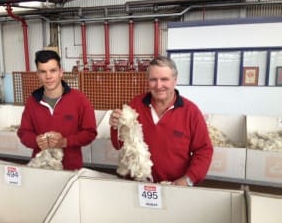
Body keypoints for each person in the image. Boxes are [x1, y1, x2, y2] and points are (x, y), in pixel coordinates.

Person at [109, 56, 213, 186]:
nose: (158, 86)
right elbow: (118, 145)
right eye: (153, 79)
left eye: (164, 79)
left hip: (174, 187)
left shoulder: (190, 112)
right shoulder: (135, 105)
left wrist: (188, 179)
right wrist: (115, 126)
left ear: (175, 80)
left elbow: (204, 150)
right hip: (138, 184)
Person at [17, 50, 97, 170]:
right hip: (41, 168)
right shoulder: (32, 102)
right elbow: (23, 133)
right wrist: (36, 141)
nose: (48, 76)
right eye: (43, 71)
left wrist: (65, 142)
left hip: (71, 170)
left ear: (61, 72)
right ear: (37, 74)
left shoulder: (79, 99)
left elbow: (90, 133)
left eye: (53, 70)